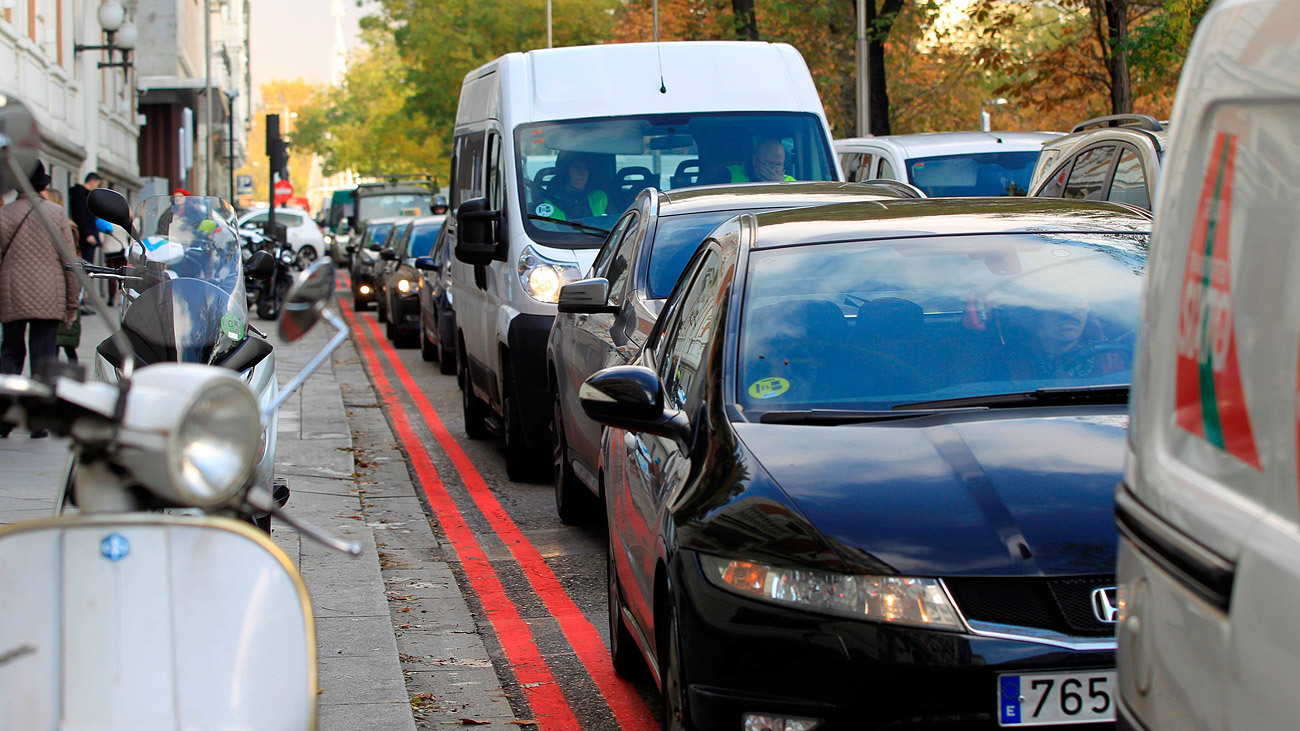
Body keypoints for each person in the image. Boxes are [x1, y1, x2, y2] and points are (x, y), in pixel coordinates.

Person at [0, 161, 80, 437]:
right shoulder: (56, 214)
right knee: (44, 354)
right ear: (44, 185)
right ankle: (38, 420)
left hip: (11, 291)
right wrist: (72, 304)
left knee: (10, 353)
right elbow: (70, 262)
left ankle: (4, 416)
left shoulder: (4, 214)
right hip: (50, 293)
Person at [534, 151, 608, 221]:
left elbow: (614, 224)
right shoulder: (546, 203)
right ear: (566, 172)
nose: (582, 172)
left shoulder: (600, 197)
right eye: (577, 167)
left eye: (585, 168)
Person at [717, 138, 797, 183]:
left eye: (778, 165)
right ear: (755, 161)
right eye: (768, 164)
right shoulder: (729, 174)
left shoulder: (790, 182)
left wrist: (779, 187)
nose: (773, 170)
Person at [68, 171, 103, 263]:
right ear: (92, 182)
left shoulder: (86, 195)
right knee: (86, 263)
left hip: (88, 233)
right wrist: (87, 234)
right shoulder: (80, 195)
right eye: (97, 184)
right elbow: (80, 215)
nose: (97, 187)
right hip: (85, 236)